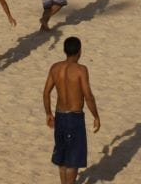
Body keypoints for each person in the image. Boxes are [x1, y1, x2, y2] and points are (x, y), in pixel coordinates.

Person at [43, 36, 100, 184]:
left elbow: (46, 92)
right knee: (73, 159)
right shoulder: (81, 70)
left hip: (59, 115)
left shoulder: (55, 68)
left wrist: (48, 113)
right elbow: (88, 96)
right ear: (79, 52)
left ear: (65, 51)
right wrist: (96, 116)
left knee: (62, 156)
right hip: (74, 118)